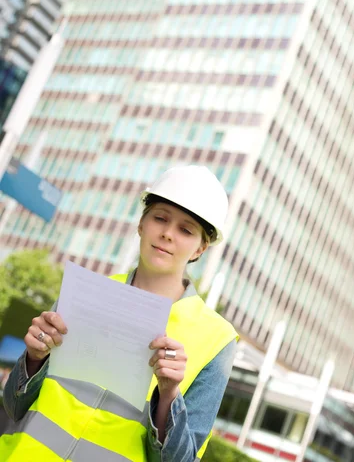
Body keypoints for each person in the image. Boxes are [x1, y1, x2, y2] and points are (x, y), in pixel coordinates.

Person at [1, 165, 238, 461]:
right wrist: (34, 359)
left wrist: (168, 397)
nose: (166, 234)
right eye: (160, 218)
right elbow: (13, 405)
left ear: (200, 249)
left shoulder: (216, 339)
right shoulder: (83, 293)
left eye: (185, 230)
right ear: (142, 224)